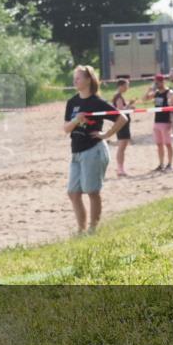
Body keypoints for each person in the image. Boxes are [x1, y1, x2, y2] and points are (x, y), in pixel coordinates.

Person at [63, 65, 127, 233]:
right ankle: (81, 229)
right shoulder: (72, 102)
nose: (75, 80)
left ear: (88, 79)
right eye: (74, 77)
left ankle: (93, 229)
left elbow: (122, 118)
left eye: (78, 77)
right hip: (76, 151)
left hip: (93, 150)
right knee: (73, 193)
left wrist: (107, 134)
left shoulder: (97, 102)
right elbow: (66, 128)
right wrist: (76, 120)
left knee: (92, 191)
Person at [144, 74, 173, 172]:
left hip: (166, 121)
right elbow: (144, 99)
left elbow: (171, 103)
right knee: (159, 144)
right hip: (157, 121)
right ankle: (161, 164)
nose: (156, 84)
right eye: (155, 82)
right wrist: (149, 90)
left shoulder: (168, 92)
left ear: (162, 82)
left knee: (168, 144)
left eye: (158, 82)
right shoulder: (156, 93)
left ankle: (169, 164)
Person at [111, 78, 135, 177]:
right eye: (126, 85)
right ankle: (120, 169)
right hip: (122, 124)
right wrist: (130, 106)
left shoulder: (118, 96)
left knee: (122, 147)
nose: (127, 88)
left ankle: (120, 168)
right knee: (122, 147)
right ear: (120, 86)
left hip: (123, 124)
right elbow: (121, 110)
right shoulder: (118, 97)